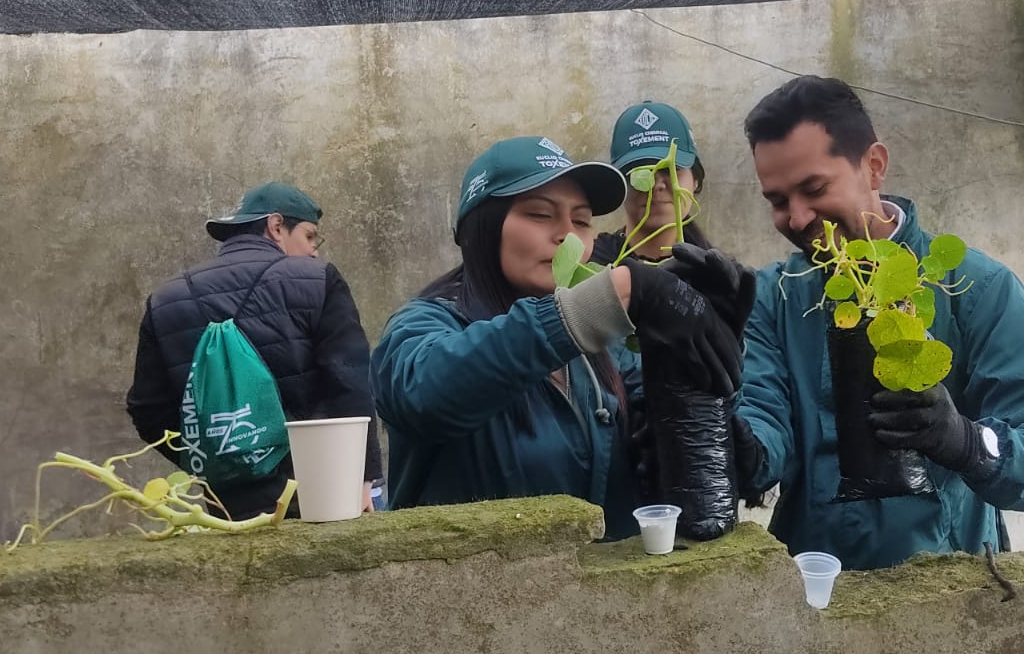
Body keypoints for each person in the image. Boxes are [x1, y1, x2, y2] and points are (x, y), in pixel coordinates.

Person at [699, 75, 1024, 570]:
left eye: (814, 189)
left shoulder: (975, 287)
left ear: (874, 166)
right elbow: (763, 419)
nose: (796, 218)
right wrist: (732, 440)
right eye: (777, 201)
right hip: (810, 584)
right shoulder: (776, 296)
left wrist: (966, 442)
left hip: (952, 584)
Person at [369, 136, 741, 540]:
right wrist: (616, 294)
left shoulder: (607, 351)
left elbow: (679, 468)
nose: (567, 235)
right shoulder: (422, 325)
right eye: (540, 214)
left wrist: (692, 365)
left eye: (581, 222)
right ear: (483, 226)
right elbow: (423, 393)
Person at [126, 182, 383, 519]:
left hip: (228, 508)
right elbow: (349, 382)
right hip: (321, 495)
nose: (314, 251)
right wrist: (363, 475)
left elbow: (147, 409)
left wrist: (214, 456)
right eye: (309, 236)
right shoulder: (318, 280)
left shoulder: (165, 301)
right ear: (276, 226)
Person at [592, 101, 716, 265]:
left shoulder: (715, 270)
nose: (656, 185)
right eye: (639, 171)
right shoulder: (591, 267)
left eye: (670, 170)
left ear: (696, 180)